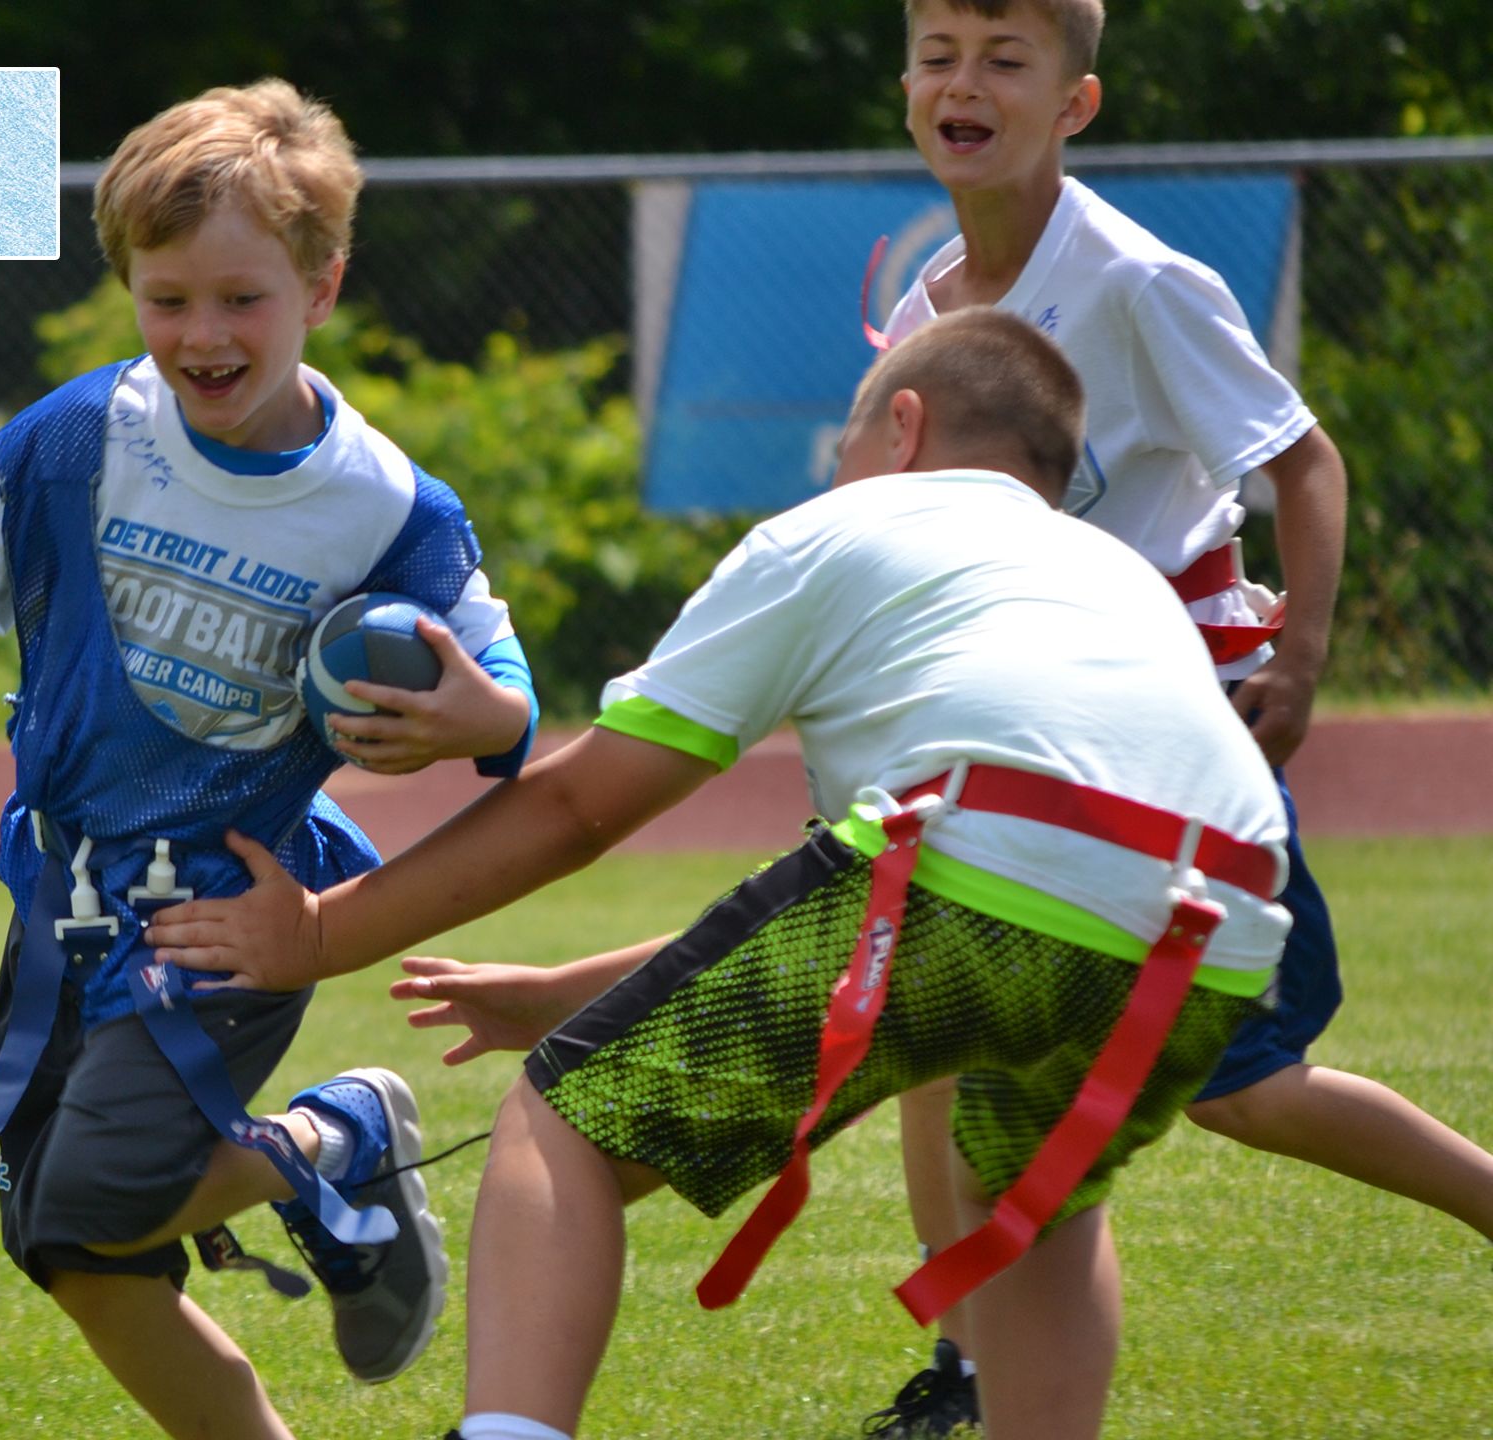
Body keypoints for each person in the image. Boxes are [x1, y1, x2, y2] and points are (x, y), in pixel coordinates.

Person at [146, 307, 1294, 1440]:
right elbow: (867, 896)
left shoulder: (846, 533)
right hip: (1218, 928)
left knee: (561, 1125)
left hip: (972, 867)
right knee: (1036, 1206)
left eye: (846, 446)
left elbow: (579, 807)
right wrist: (561, 992)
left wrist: (318, 934)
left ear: (900, 427)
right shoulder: (1113, 579)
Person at [0, 79, 542, 1440]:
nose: (203, 334)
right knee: (69, 1253)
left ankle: (327, 1141)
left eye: (242, 299)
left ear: (321, 286)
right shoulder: (59, 448)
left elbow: (510, 706)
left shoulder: (390, 507)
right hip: (66, 895)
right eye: (167, 299)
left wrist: (481, 721)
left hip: (235, 896)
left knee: (93, 1200)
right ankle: (335, 1190)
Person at [868, 3, 1493, 1429]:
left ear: (1074, 102)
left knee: (1247, 1087)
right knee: (936, 1026)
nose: (965, 84)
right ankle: (966, 1370)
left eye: (1004, 60)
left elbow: (1304, 461)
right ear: (906, 83)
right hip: (1043, 726)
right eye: (940, 53)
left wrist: (1307, 655)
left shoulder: (1138, 281)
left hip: (1175, 724)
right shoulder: (926, 318)